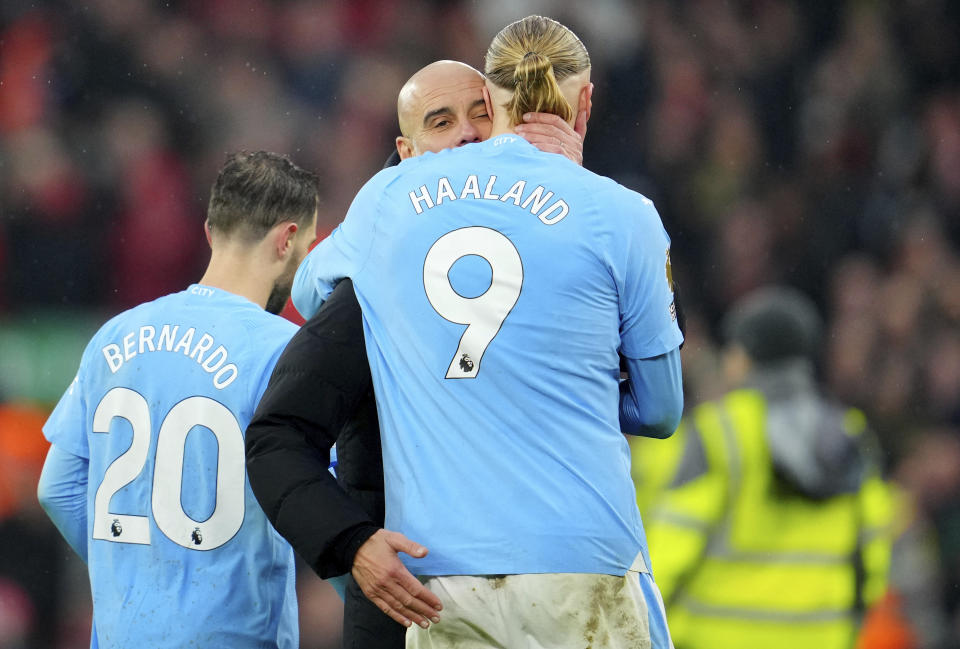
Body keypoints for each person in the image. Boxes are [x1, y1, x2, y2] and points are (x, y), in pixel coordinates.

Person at [276, 14, 685, 648]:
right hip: (584, 557)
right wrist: (566, 376)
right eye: (441, 122)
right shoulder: (620, 211)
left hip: (445, 577)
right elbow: (660, 411)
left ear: (494, 102)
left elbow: (311, 290)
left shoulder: (388, 199)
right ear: (586, 102)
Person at [246, 58, 590, 649]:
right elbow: (277, 436)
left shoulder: (575, 245)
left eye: (483, 115)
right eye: (442, 121)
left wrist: (578, 193)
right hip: (416, 607)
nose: (467, 133)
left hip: (554, 594)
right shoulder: (376, 283)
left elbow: (652, 352)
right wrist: (352, 542)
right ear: (407, 153)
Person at [36, 151, 319, 649]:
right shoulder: (285, 351)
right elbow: (328, 503)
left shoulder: (114, 336)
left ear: (211, 231)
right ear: (288, 240)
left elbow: (56, 487)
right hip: (233, 635)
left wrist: (134, 566)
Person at [634, 285, 895, 649]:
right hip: (820, 639)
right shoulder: (848, 433)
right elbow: (873, 555)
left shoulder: (719, 434)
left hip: (716, 639)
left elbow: (669, 549)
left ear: (743, 356)